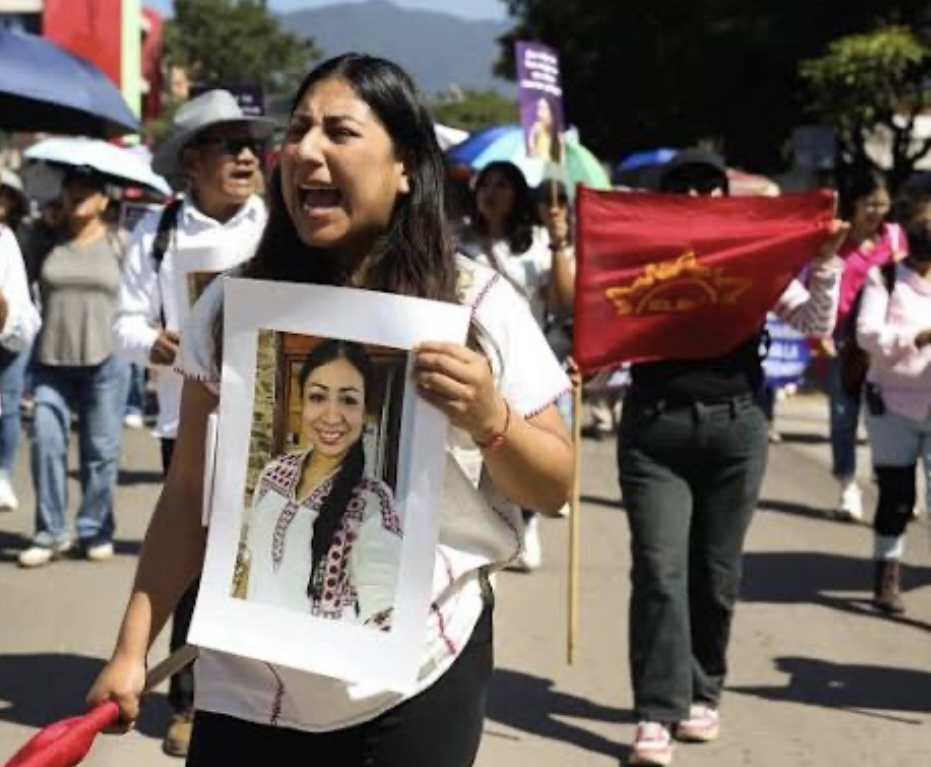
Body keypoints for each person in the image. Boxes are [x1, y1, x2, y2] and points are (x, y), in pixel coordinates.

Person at [87, 53, 573, 767]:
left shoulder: (473, 304)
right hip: (247, 686)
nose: (305, 152)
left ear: (405, 165)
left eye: (340, 131)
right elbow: (188, 491)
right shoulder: (230, 305)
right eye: (300, 130)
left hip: (414, 679)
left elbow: (555, 484)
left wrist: (489, 416)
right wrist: (131, 650)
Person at [617, 149, 846, 766]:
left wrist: (825, 264)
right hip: (654, 430)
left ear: (725, 197)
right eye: (681, 188)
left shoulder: (754, 257)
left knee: (715, 576)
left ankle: (701, 689)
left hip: (735, 429)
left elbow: (815, 319)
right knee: (660, 572)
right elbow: (597, 317)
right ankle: (655, 712)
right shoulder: (638, 255)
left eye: (706, 187)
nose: (694, 198)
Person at [113, 87, 272, 758]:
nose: (244, 157)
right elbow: (122, 321)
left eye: (250, 145)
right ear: (191, 161)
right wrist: (153, 343)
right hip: (191, 420)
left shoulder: (279, 225)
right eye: (228, 146)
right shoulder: (155, 235)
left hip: (272, 420)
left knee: (264, 557)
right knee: (196, 562)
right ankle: (189, 701)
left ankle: (266, 696)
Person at [457, 160, 574, 570]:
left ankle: (526, 522)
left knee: (531, 447)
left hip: (529, 367)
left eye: (502, 184)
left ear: (518, 193)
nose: (491, 191)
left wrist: (561, 244)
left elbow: (563, 300)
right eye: (484, 183)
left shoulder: (539, 243)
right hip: (478, 366)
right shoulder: (459, 243)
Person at [240, 340, 401, 627]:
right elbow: (250, 565)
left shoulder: (374, 500)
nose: (331, 415)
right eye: (317, 397)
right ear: (302, 403)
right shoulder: (274, 473)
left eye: (348, 400)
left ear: (365, 413)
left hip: (322, 665)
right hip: (253, 651)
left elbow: (384, 608)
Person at [17, 166, 130, 568]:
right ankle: (50, 532)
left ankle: (94, 529)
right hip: (51, 362)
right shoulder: (43, 241)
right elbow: (17, 286)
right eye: (72, 189)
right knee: (46, 444)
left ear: (103, 200)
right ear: (61, 198)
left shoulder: (121, 243)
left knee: (101, 453)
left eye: (88, 190)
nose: (79, 194)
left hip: (106, 361)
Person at [855, 222, 931, 614]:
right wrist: (917, 338)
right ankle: (887, 575)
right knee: (897, 495)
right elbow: (867, 335)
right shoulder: (883, 277)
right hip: (893, 405)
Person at [827, 169, 901, 521]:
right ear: (853, 203)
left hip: (886, 341)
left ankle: (894, 484)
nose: (875, 210)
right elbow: (814, 282)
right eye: (868, 202)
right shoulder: (837, 240)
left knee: (887, 418)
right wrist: (820, 337)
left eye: (882, 203)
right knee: (844, 417)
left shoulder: (897, 240)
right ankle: (847, 489)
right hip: (842, 340)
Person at [0, 223, 41, 510]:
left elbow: (20, 317)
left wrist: (3, 314)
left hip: (9, 346)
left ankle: (1, 473)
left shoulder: (4, 239)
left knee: (8, 408)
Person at [527, 97, 560, 164]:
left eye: (543, 109)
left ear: (551, 111)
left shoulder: (559, 135)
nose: (539, 113)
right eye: (538, 108)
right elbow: (532, 152)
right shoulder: (536, 129)